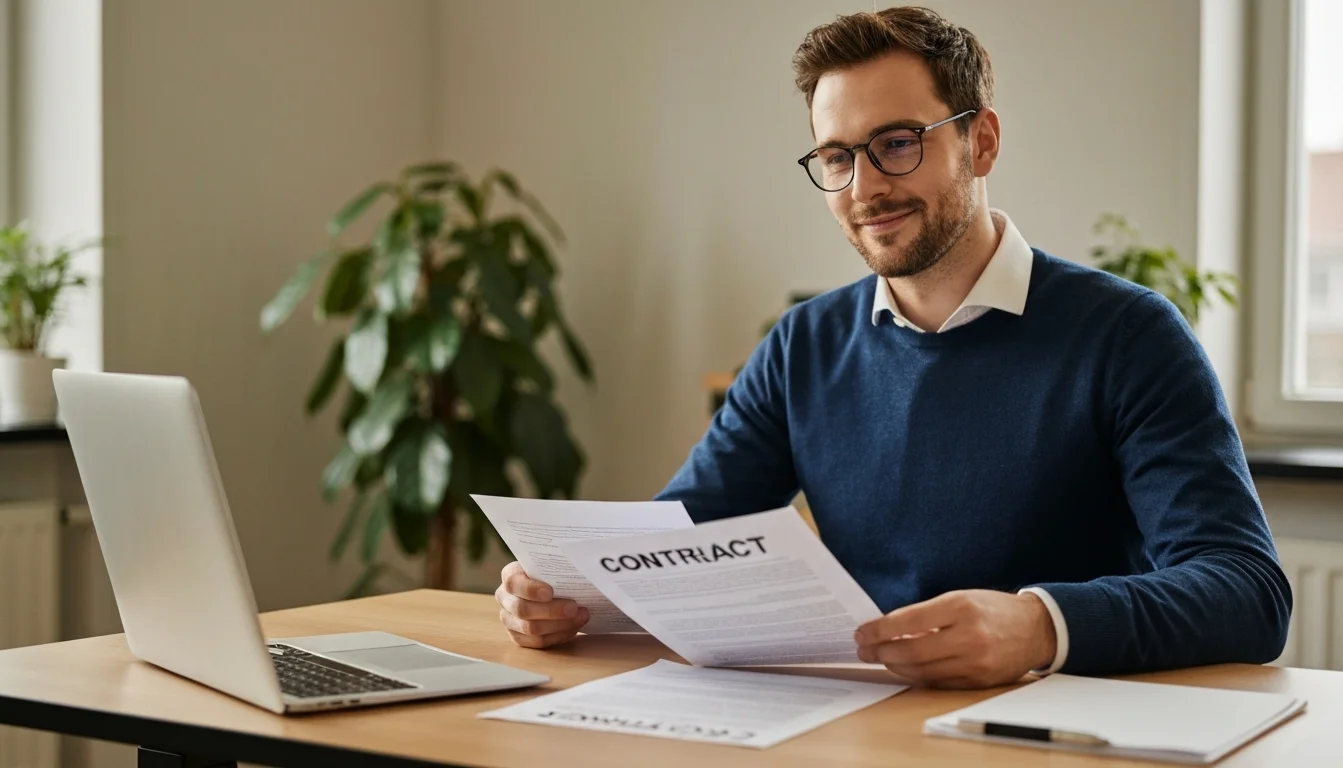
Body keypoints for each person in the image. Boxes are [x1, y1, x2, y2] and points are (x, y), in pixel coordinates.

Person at [494, 6, 1291, 688]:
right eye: (837, 157)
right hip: (863, 722)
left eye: (898, 143)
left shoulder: (1129, 335)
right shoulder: (802, 344)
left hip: (1045, 729)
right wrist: (568, 589)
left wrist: (1038, 626)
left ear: (981, 143)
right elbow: (679, 538)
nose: (865, 188)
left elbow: (1248, 592)